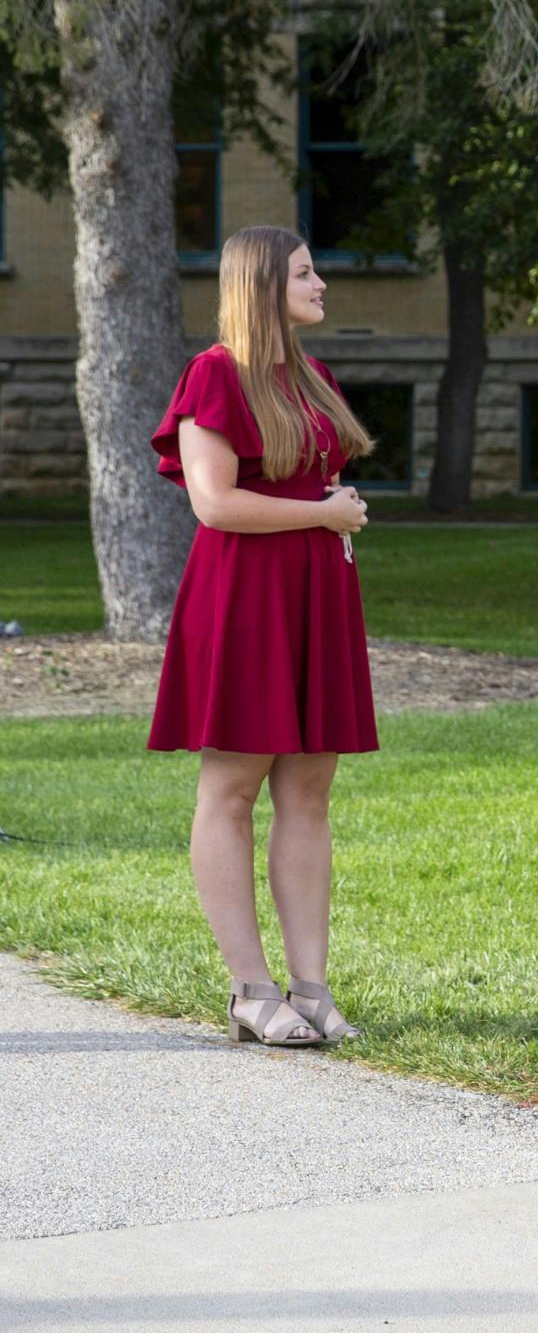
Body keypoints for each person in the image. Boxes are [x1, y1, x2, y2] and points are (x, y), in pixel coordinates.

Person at [149, 226, 378, 1048]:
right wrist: (321, 512)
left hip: (317, 594)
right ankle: (251, 989)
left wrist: (332, 509)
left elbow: (311, 473)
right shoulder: (212, 374)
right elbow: (213, 503)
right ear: (262, 285)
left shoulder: (312, 376)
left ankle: (311, 989)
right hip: (243, 599)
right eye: (307, 272)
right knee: (233, 790)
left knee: (310, 796)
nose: (323, 283)